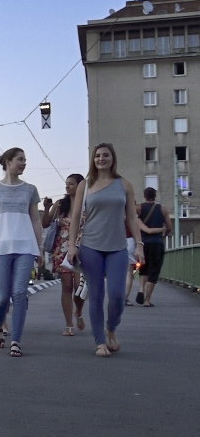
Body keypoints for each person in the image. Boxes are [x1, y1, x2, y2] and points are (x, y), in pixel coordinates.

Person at [66, 143, 143, 357]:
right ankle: (100, 341)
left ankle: (111, 327)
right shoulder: (85, 185)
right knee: (97, 295)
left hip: (117, 246)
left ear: (112, 158)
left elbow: (132, 217)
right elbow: (75, 219)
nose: (101, 158)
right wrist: (72, 246)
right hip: (91, 246)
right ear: (93, 159)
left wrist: (139, 244)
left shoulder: (124, 185)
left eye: (106, 155)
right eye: (98, 155)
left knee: (118, 295)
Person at [0, 147, 42, 358]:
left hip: (26, 247)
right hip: (1, 248)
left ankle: (15, 340)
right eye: (20, 159)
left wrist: (39, 247)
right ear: (7, 162)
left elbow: (35, 220)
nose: (24, 163)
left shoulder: (30, 189)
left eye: (25, 160)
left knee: (19, 293)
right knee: (0, 298)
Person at [42, 174, 86, 336]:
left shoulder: (87, 203)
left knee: (78, 288)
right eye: (66, 184)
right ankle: (68, 324)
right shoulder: (61, 204)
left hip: (83, 248)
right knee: (66, 286)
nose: (67, 187)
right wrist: (47, 208)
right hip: (62, 248)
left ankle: (78, 312)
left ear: (81, 185)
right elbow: (45, 223)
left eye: (71, 184)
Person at [135, 187, 172, 307]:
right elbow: (169, 227)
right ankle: (147, 300)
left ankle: (141, 288)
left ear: (145, 195)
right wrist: (163, 236)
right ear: (155, 196)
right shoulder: (163, 209)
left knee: (143, 268)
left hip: (143, 242)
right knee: (154, 271)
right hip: (157, 242)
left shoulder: (139, 208)